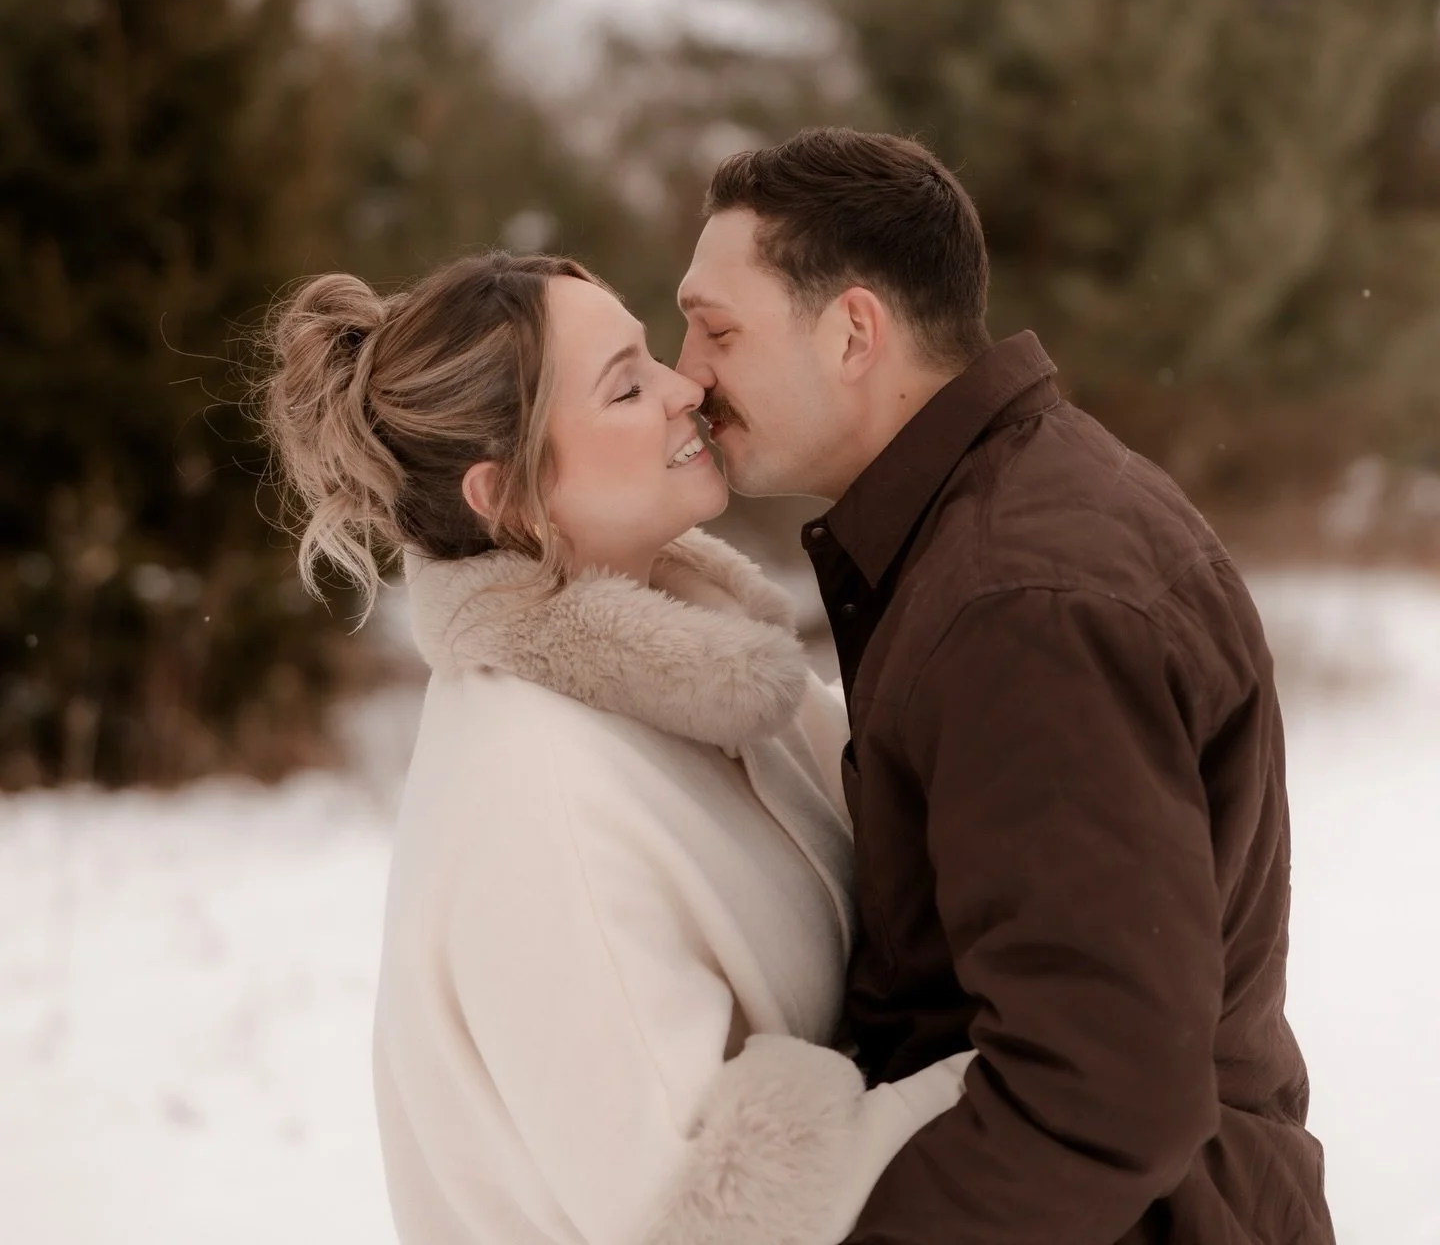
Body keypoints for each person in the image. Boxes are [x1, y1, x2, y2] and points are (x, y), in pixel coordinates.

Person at [676, 127, 1335, 1245]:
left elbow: (1098, 1095)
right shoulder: (1005, 518)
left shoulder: (1020, 599)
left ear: (852, 333)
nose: (686, 372)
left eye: (716, 330)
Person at [260, 251, 970, 1245]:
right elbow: (703, 1212)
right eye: (627, 385)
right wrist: (1029, 1077)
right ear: (506, 497)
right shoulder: (534, 795)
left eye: (654, 358)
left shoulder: (703, 685)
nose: (689, 390)